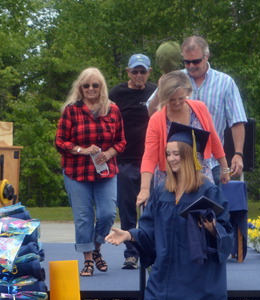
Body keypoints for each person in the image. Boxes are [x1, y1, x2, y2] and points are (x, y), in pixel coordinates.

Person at [105, 123, 234, 300]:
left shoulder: (208, 192)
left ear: (189, 155)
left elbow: (227, 235)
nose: (172, 159)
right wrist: (129, 234)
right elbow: (148, 230)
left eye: (177, 153)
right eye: (168, 153)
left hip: (197, 274)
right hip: (165, 271)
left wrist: (213, 229)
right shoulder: (163, 191)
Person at [55, 67, 125, 276]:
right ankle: (88, 260)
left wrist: (110, 153)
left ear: (102, 87)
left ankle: (96, 248)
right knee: (84, 216)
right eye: (86, 85)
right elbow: (60, 141)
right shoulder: (71, 110)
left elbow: (121, 141)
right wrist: (81, 150)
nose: (91, 89)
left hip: (105, 171)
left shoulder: (113, 110)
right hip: (76, 171)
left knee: (107, 213)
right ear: (80, 88)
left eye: (95, 85)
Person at [108, 54, 158, 270]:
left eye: (143, 71)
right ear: (128, 72)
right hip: (125, 160)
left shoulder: (156, 91)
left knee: (152, 208)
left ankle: (151, 252)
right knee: (128, 208)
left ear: (149, 72)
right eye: (135, 71)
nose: (139, 75)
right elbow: (106, 120)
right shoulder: (117, 93)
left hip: (152, 159)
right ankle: (131, 254)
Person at [141, 71, 228, 194]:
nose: (177, 103)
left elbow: (213, 139)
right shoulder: (156, 119)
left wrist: (225, 168)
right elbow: (150, 156)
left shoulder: (200, 108)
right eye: (172, 99)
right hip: (169, 177)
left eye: (181, 98)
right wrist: (144, 189)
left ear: (188, 93)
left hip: (200, 173)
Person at [179, 36, 247, 181]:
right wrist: (162, 87)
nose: (191, 66)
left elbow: (237, 120)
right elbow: (151, 111)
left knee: (212, 204)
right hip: (180, 162)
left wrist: (238, 153)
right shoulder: (175, 79)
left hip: (213, 163)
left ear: (207, 56)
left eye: (196, 61)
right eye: (186, 62)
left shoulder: (225, 82)